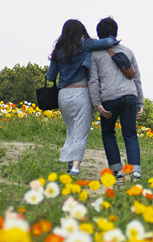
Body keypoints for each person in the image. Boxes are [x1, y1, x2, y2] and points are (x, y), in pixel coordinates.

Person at [45, 20, 118, 176]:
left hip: (63, 95)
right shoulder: (84, 44)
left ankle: (71, 163)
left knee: (71, 130)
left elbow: (50, 77)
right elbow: (110, 41)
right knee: (81, 132)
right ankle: (75, 168)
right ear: (81, 30)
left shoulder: (59, 49)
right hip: (82, 92)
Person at [88, 17, 144, 182]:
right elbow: (137, 79)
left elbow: (93, 80)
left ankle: (117, 171)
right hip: (129, 96)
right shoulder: (128, 51)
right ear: (116, 33)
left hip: (109, 98)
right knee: (130, 134)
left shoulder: (95, 55)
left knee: (108, 132)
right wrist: (140, 103)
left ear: (99, 35)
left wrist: (97, 104)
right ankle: (135, 172)